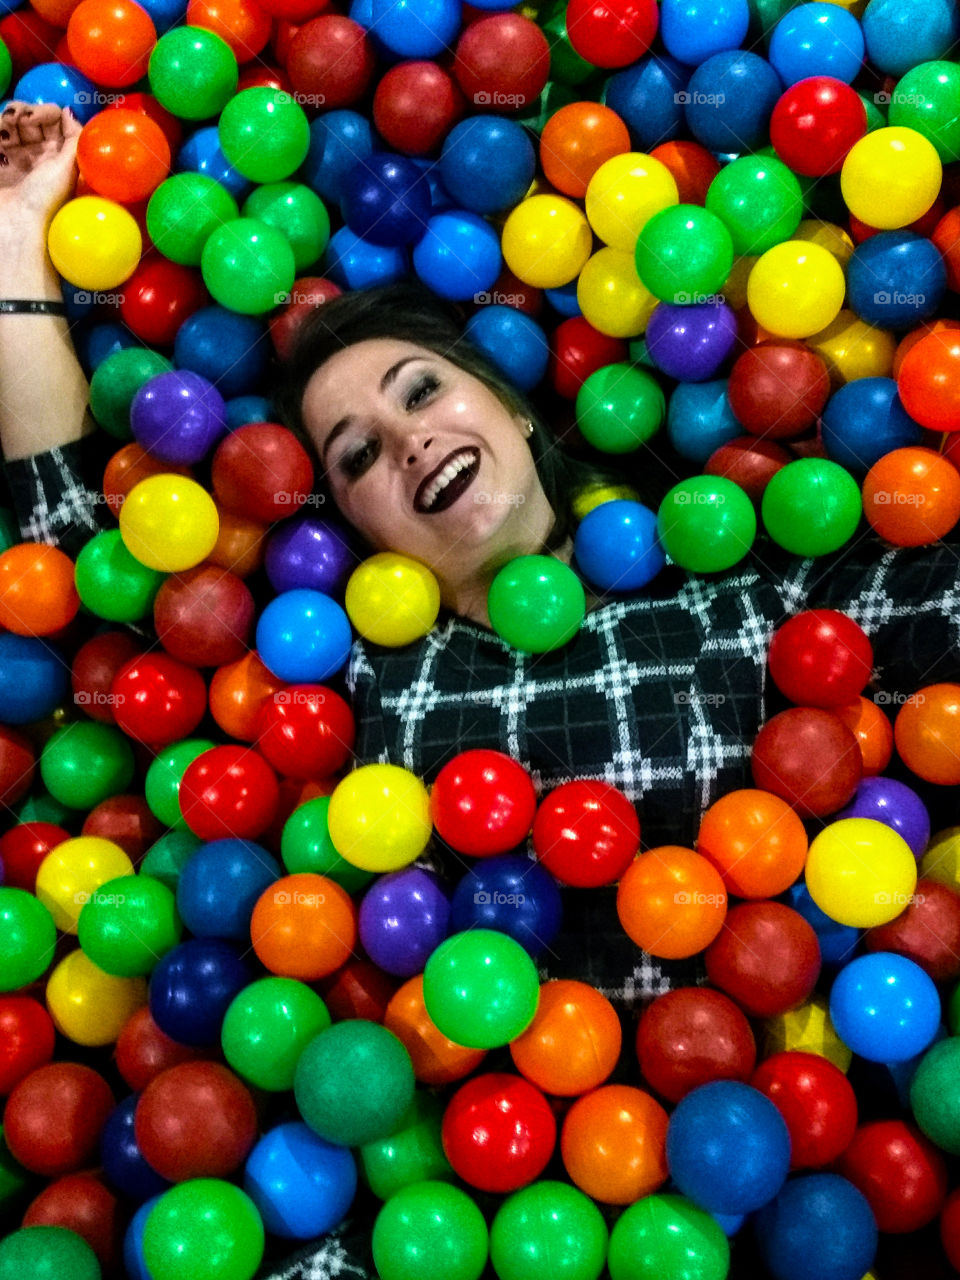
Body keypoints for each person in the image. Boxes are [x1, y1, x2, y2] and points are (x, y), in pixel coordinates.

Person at [3, 101, 960, 1280]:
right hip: (437, 1205)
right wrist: (13, 233)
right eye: (352, 455)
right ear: (343, 520)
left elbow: (937, 601)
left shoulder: (732, 598)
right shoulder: (340, 668)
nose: (401, 441)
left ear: (508, 407)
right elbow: (66, 534)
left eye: (419, 391)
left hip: (771, 1177)